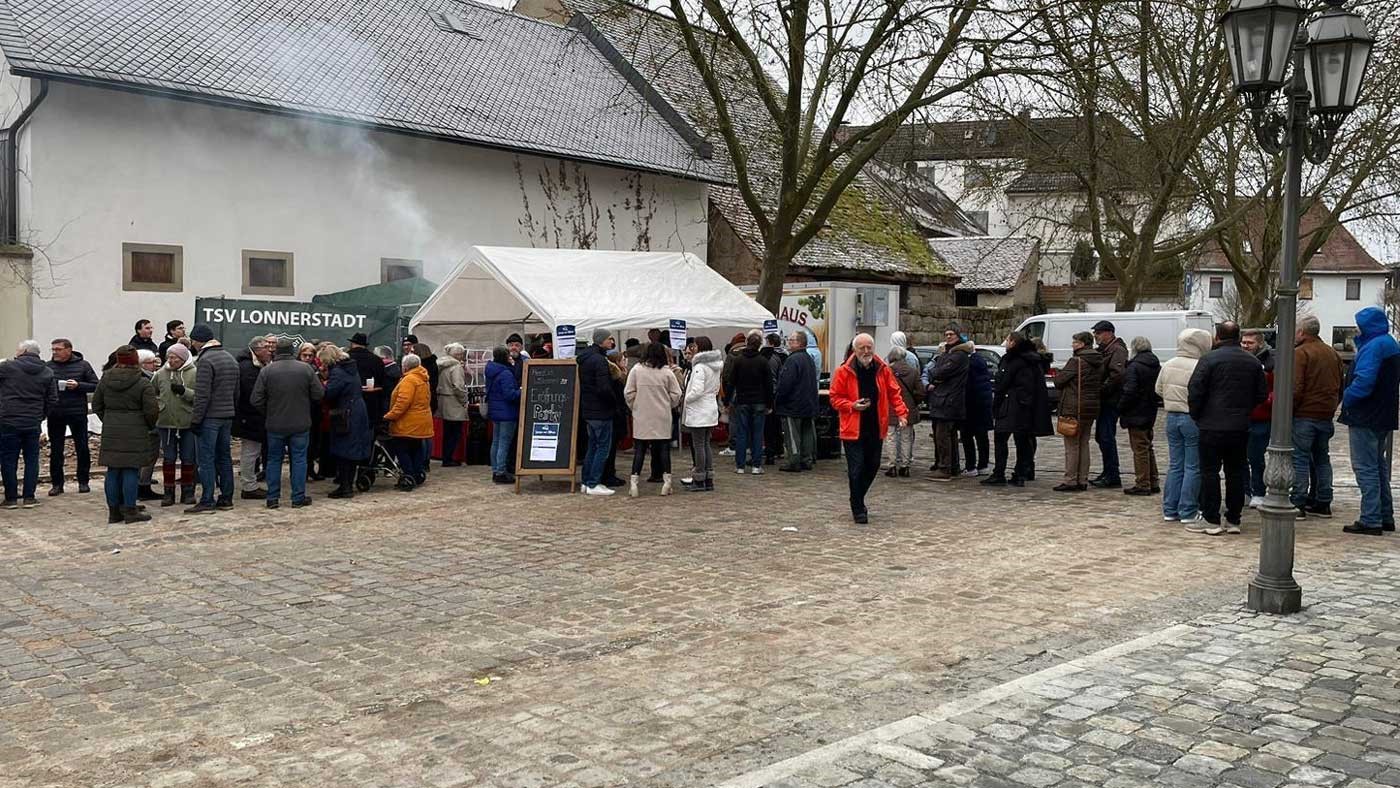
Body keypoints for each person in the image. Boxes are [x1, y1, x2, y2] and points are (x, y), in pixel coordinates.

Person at [1188, 322, 1268, 535]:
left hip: (1211, 424)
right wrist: (1245, 410)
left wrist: (1197, 414)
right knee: (1236, 472)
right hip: (1239, 425)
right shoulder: (1252, 362)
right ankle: (1234, 519)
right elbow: (1261, 394)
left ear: (1217, 336)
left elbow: (1195, 390)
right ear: (1238, 336)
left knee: (1209, 472)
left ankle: (1211, 518)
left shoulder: (1208, 359)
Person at [829, 333, 909, 524]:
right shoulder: (844, 371)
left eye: (869, 347)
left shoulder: (882, 369)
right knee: (856, 469)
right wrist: (852, 405)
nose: (866, 351)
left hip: (875, 426)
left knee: (872, 466)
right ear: (854, 350)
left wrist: (901, 413)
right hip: (852, 429)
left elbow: (893, 392)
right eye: (862, 348)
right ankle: (858, 508)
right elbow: (834, 398)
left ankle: (856, 496)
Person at [1339, 306, 1400, 535]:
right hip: (1383, 414)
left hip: (1366, 414)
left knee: (1365, 467)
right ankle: (1385, 516)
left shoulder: (1373, 346)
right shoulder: (1389, 343)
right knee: (1378, 467)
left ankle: (1371, 518)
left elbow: (1364, 380)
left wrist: (1347, 397)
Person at [252, 338, 324, 508]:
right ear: (293, 352)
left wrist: (269, 411)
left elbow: (256, 399)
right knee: (299, 460)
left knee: (273, 460)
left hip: (275, 423)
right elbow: (319, 394)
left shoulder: (267, 371)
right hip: (300, 423)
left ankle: (272, 498)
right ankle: (298, 497)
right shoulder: (306, 369)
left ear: (276, 352)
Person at [93, 345, 158, 524]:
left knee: (112, 470)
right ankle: (130, 510)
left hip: (112, 430)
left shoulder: (105, 379)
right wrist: (147, 425)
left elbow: (97, 404)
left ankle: (114, 512)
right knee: (131, 469)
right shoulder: (143, 382)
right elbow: (151, 410)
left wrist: (109, 420)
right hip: (136, 430)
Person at [1157, 328, 1212, 528]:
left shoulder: (1169, 364)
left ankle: (1170, 509)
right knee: (1193, 466)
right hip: (1192, 417)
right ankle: (1188, 509)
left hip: (1171, 416)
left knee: (1175, 465)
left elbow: (1158, 389)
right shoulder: (1201, 365)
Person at [1291, 315, 1343, 519]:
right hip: (1325, 414)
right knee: (1322, 459)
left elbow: (1296, 387)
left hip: (1305, 414)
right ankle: (1323, 501)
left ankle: (1298, 502)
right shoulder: (1332, 353)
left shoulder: (1301, 353)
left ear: (1302, 332)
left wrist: (1289, 411)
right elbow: (1341, 384)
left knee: (1300, 459)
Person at [185, 324, 239, 515]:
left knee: (206, 460)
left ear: (199, 341)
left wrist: (196, 420)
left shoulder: (205, 360)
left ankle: (207, 499)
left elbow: (202, 395)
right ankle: (226, 498)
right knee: (224, 458)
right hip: (227, 415)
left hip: (210, 417)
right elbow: (236, 392)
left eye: (192, 340)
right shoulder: (229, 357)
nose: (192, 344)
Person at [987, 332, 1051, 486]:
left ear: (1013, 342)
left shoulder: (1014, 360)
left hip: (1011, 404)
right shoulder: (1032, 360)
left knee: (1002, 439)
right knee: (1022, 441)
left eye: (1008, 340)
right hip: (1024, 406)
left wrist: (997, 402)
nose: (1006, 343)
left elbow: (1003, 382)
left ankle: (1000, 473)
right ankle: (1021, 473)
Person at [0, 340, 56, 508]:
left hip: (8, 420)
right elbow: (52, 399)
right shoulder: (47, 372)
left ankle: (10, 498)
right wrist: (41, 415)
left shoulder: (8, 367)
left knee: (9, 459)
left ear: (23, 351)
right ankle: (29, 497)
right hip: (32, 421)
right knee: (32, 459)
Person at [624, 342, 683, 496]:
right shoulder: (667, 372)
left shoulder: (636, 370)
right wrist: (667, 404)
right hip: (662, 415)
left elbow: (628, 392)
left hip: (641, 415)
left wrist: (635, 406)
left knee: (640, 450)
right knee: (664, 449)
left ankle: (634, 484)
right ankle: (667, 483)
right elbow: (676, 394)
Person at [45, 338, 98, 496]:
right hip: (56, 412)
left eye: (58, 349)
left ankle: (83, 481)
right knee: (56, 449)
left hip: (77, 412)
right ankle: (57, 484)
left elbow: (96, 384)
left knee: (81, 447)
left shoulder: (83, 365)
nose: (55, 352)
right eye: (53, 350)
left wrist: (78, 386)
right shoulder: (48, 367)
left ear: (69, 350)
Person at [1053, 332, 1103, 492]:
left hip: (1074, 406)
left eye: (1075, 342)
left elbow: (1059, 381)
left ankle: (1070, 479)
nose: (1073, 345)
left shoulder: (1076, 361)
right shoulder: (1098, 360)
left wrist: (1061, 373)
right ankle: (1083, 478)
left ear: (1082, 344)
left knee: (1072, 444)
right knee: (1084, 443)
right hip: (1091, 407)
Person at [320, 345, 371, 499]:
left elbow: (329, 393)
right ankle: (348, 483)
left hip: (345, 412)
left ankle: (345, 486)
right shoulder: (351, 368)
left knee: (343, 450)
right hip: (357, 410)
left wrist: (323, 383)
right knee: (352, 449)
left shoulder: (337, 373)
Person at [152, 343, 198, 507]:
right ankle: (168, 493)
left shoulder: (194, 372)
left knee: (188, 458)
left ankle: (187, 492)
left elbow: (200, 395)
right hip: (166, 422)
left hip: (187, 422)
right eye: (169, 357)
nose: (171, 361)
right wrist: (160, 406)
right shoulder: (161, 373)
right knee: (169, 458)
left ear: (183, 358)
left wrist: (184, 392)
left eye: (174, 358)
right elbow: (153, 392)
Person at [923, 325, 971, 481]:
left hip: (949, 399)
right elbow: (937, 370)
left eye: (951, 334)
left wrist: (936, 373)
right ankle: (952, 466)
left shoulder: (958, 355)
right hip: (945, 398)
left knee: (943, 435)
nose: (948, 337)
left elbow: (939, 371)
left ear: (958, 335)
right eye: (946, 334)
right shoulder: (949, 353)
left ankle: (945, 468)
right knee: (947, 435)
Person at [726, 330, 774, 474]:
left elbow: (731, 382)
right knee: (757, 434)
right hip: (759, 401)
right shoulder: (763, 361)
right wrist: (770, 404)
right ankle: (756, 465)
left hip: (742, 401)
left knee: (742, 433)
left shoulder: (738, 360)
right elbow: (769, 385)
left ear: (747, 343)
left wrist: (727, 400)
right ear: (759, 345)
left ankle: (740, 466)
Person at [1119, 336, 1162, 496]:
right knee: (1147, 446)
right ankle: (1153, 480)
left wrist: (1121, 406)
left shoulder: (1134, 366)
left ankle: (1143, 483)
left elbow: (1130, 390)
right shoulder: (1154, 364)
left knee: (1139, 449)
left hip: (1136, 412)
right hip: (1149, 411)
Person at [1088, 320, 1128, 488]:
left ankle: (1112, 474)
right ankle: (1108, 471)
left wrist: (1101, 390)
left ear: (1108, 333)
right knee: (1102, 436)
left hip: (1110, 400)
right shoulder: (1106, 350)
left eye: (1098, 333)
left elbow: (1117, 375)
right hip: (1105, 400)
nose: (1095, 336)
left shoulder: (1117, 350)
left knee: (1106, 436)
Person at [383, 353, 432, 489]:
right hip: (421, 420)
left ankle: (408, 474)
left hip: (407, 422)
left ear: (405, 366)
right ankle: (417, 473)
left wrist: (389, 416)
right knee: (416, 448)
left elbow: (402, 403)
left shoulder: (409, 380)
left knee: (402, 449)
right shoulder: (423, 378)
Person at [232, 336, 272, 500]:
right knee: (250, 452)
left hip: (251, 416)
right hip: (249, 416)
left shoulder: (254, 364)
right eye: (266, 348)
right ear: (257, 350)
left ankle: (250, 483)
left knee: (252, 451)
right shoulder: (248, 367)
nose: (269, 351)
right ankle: (249, 486)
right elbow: (253, 395)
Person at [578, 329, 618, 495]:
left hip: (589, 409)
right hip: (600, 410)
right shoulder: (599, 360)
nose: (612, 342)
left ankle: (586, 481)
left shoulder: (586, 358)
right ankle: (594, 482)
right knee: (602, 448)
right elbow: (603, 388)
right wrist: (613, 401)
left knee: (593, 447)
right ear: (601, 341)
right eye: (609, 339)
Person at [681, 336, 723, 492]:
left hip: (699, 410)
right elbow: (716, 388)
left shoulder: (699, 367)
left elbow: (697, 391)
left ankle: (699, 478)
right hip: (710, 408)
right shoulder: (715, 367)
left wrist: (687, 399)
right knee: (705, 444)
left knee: (699, 445)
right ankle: (708, 477)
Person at [1240, 329, 1275, 508]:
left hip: (1261, 416)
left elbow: (1276, 389)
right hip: (1240, 416)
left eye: (1249, 343)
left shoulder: (1270, 362)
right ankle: (1245, 490)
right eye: (1243, 342)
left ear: (1259, 343)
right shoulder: (1238, 359)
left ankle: (1259, 491)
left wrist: (1265, 401)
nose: (1245, 346)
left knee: (1256, 457)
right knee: (1240, 457)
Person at [775, 331, 819, 473]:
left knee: (792, 434)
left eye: (791, 340)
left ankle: (794, 460)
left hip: (793, 404)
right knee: (807, 432)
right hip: (808, 403)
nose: (789, 342)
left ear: (799, 343)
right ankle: (807, 458)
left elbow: (786, 383)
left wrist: (779, 399)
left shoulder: (793, 360)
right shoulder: (809, 358)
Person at [483, 346, 521, 484]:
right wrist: (522, 391)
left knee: (496, 442)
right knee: (504, 443)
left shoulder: (491, 370)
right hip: (507, 412)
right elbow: (510, 394)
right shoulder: (506, 373)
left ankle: (495, 470)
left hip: (495, 410)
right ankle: (501, 472)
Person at [884, 348, 922, 477]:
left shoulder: (887, 371)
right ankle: (905, 466)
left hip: (891, 408)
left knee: (891, 437)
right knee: (907, 437)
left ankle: (892, 465)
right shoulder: (913, 371)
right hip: (909, 410)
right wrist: (914, 402)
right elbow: (921, 391)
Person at [961, 335, 993, 476]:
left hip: (971, 405)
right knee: (982, 437)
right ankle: (983, 464)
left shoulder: (968, 363)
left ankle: (971, 466)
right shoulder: (981, 361)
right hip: (983, 405)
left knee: (967, 436)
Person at [134, 349, 163, 501]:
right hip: (147, 424)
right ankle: (142, 486)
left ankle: (141, 485)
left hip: (140, 424)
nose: (155, 365)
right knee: (148, 456)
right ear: (142, 364)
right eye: (152, 362)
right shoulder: (145, 380)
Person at [437, 344, 470, 468]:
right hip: (454, 401)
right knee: (455, 432)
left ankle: (446, 457)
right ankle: (449, 458)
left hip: (443, 399)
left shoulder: (441, 365)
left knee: (447, 432)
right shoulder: (456, 366)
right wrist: (464, 399)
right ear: (458, 354)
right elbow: (458, 386)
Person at [760, 333, 787, 466]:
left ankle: (770, 451)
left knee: (768, 425)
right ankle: (779, 448)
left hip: (768, 393)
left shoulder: (767, 357)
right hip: (778, 393)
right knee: (777, 423)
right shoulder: (785, 356)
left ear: (769, 342)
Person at [347, 333, 385, 422]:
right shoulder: (376, 360)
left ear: (352, 344)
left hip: (349, 400)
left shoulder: (346, 358)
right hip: (370, 401)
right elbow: (382, 382)